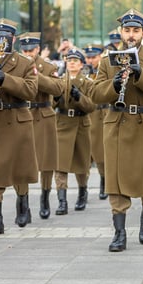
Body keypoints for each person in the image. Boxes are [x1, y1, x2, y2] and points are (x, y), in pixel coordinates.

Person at [88, 9, 143, 252]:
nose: (131, 35)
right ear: (121, 33)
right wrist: (112, 86)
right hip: (117, 123)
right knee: (115, 179)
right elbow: (94, 94)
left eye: (136, 31)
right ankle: (119, 232)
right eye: (127, 31)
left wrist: (141, 73)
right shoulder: (107, 61)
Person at [0, 19, 40, 235]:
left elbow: (31, 91)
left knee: (19, 169)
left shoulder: (25, 63)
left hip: (16, 119)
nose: (1, 40)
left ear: (13, 39)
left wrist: (6, 79)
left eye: (5, 36)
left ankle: (22, 203)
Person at [18, 32, 62, 219]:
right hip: (24, 114)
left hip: (43, 114)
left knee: (46, 162)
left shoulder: (47, 66)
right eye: (25, 50)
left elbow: (58, 88)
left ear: (38, 49)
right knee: (21, 161)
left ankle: (45, 196)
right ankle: (24, 203)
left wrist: (35, 75)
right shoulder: (16, 65)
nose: (28, 53)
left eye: (32, 49)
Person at [53, 48, 95, 214]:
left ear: (82, 64)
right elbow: (51, 104)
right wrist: (56, 97)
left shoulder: (88, 83)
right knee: (60, 164)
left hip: (81, 123)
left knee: (82, 164)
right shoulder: (59, 81)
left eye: (75, 60)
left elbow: (92, 106)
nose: (71, 63)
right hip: (63, 123)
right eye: (69, 60)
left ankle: (82, 193)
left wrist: (79, 97)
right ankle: (62, 201)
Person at [83, 45, 108, 199]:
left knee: (100, 151)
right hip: (86, 114)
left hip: (101, 113)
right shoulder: (83, 70)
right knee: (85, 154)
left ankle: (104, 180)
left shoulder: (103, 70)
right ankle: (82, 187)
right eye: (89, 57)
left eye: (94, 57)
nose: (91, 60)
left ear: (100, 57)